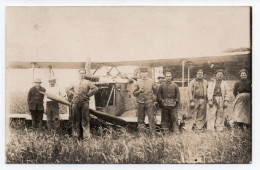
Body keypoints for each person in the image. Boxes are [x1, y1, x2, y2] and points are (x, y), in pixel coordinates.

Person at [66, 69, 98, 139]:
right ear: (78, 74)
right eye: (81, 73)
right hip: (75, 102)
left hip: (84, 102)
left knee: (85, 119)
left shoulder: (87, 82)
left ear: (85, 74)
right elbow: (67, 89)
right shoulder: (74, 82)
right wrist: (72, 94)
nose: (82, 75)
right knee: (75, 119)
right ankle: (75, 136)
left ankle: (86, 137)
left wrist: (88, 94)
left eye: (83, 73)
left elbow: (95, 89)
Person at [133, 67, 158, 135]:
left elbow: (156, 92)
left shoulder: (152, 81)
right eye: (142, 72)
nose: (143, 74)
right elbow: (134, 93)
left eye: (145, 72)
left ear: (147, 73)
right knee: (140, 119)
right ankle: (142, 134)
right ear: (140, 74)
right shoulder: (137, 82)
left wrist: (154, 100)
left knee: (151, 119)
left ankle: (153, 134)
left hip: (149, 102)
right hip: (140, 103)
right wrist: (139, 91)